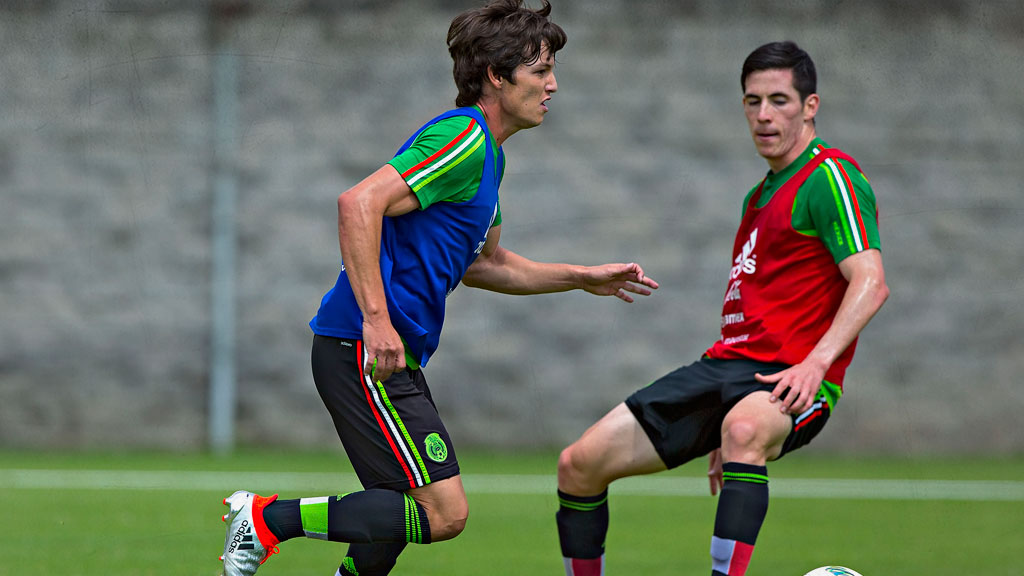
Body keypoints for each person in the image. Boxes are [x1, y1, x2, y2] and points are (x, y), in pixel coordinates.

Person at [217, 2, 659, 575]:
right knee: (443, 513)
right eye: (541, 70)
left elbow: (486, 263)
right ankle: (267, 520)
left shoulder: (489, 160)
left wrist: (580, 277)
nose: (553, 85)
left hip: (380, 352)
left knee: (396, 511)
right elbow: (358, 204)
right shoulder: (464, 138)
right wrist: (377, 320)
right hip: (362, 346)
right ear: (498, 77)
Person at [554, 41, 889, 576]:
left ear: (810, 106)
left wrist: (816, 365)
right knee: (578, 465)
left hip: (790, 378)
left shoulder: (829, 176)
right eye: (752, 101)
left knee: (745, 431)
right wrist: (721, 421)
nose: (763, 115)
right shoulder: (758, 196)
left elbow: (870, 283)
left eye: (779, 100)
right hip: (725, 369)